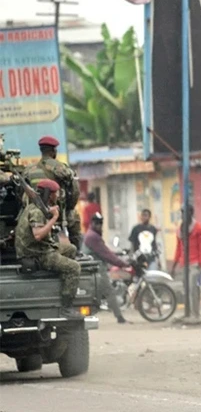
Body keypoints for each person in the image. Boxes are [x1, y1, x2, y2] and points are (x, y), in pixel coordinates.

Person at [14, 179, 82, 317]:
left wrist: (50, 211)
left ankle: (64, 281)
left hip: (41, 249)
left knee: (71, 249)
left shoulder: (36, 207)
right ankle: (67, 308)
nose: (57, 196)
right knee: (74, 268)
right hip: (38, 254)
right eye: (55, 193)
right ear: (48, 194)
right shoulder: (37, 211)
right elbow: (38, 235)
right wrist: (53, 218)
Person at [23, 136, 82, 249]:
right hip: (55, 211)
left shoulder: (29, 170)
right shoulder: (60, 168)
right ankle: (78, 252)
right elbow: (74, 191)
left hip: (32, 212)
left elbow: (21, 192)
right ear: (53, 151)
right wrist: (69, 208)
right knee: (74, 217)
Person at [82, 213, 131, 324]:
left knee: (97, 294)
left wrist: (118, 254)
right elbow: (106, 254)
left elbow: (105, 251)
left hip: (93, 268)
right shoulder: (93, 236)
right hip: (97, 269)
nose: (99, 226)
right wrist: (122, 263)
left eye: (101, 224)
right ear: (92, 223)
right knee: (109, 292)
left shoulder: (91, 234)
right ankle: (120, 318)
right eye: (97, 224)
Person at [170, 205, 201, 320]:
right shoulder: (180, 229)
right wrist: (174, 266)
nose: (183, 216)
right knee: (186, 289)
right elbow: (178, 248)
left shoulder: (198, 228)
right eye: (182, 213)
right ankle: (188, 313)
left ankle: (196, 314)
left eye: (185, 213)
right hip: (184, 263)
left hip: (195, 263)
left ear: (191, 214)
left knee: (193, 289)